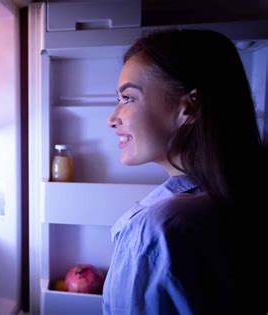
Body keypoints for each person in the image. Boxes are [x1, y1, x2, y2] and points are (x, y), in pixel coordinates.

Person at [102, 29, 267, 315]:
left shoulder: (156, 231)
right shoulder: (244, 192)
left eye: (128, 98)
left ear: (188, 106)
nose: (112, 118)